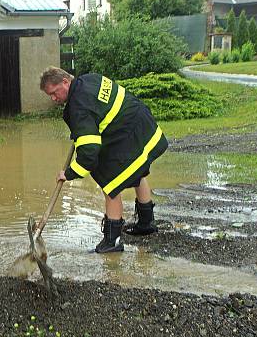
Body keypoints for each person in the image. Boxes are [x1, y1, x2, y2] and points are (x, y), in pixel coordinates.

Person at [39, 67, 168, 253]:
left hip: (128, 131)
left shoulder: (78, 106)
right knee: (138, 170)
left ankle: (112, 241)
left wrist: (69, 173)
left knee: (110, 181)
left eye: (53, 92)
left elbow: (89, 153)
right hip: (140, 121)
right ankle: (146, 224)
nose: (53, 98)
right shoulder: (89, 79)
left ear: (65, 82)